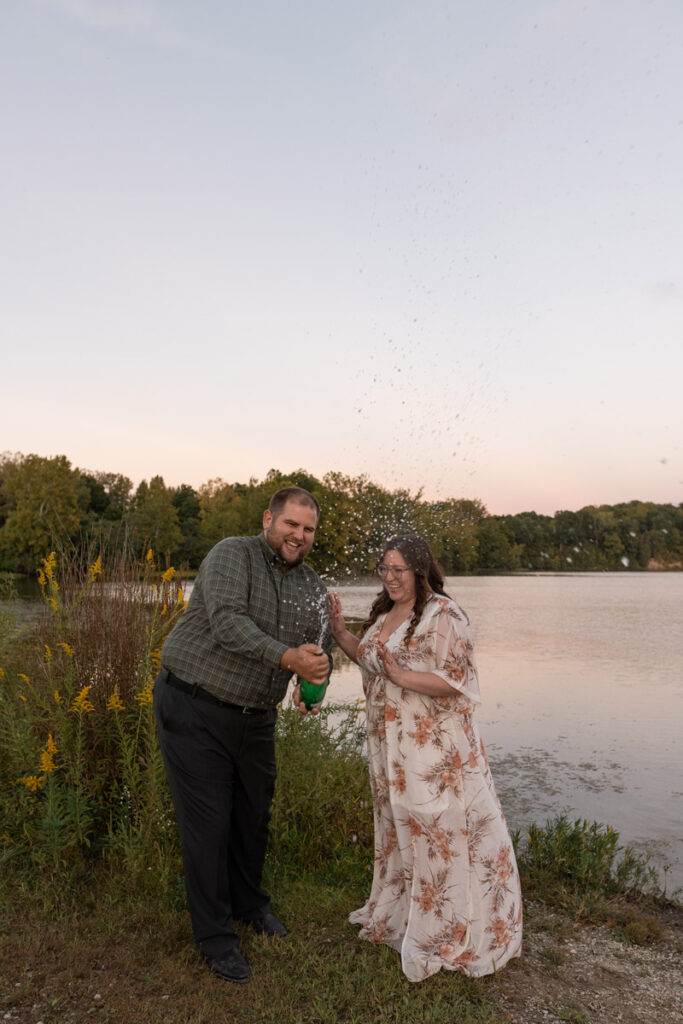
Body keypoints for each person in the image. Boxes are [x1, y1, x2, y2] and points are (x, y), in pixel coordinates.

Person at [154, 486, 331, 984]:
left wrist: (315, 676)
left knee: (253, 816)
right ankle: (215, 939)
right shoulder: (232, 553)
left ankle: (250, 906)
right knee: (208, 824)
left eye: (308, 528)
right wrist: (286, 658)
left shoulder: (313, 588)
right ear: (269, 519)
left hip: (256, 716)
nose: (298, 535)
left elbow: (316, 652)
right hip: (194, 703)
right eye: (290, 524)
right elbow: (228, 622)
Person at [328, 535, 522, 983]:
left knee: (440, 830)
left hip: (432, 747)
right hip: (390, 745)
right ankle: (405, 910)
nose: (391, 578)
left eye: (400, 570)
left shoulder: (445, 614)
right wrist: (341, 633)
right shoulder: (383, 613)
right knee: (402, 827)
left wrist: (402, 674)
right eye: (385, 569)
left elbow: (458, 682)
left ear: (419, 570)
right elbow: (369, 660)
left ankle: (453, 926)